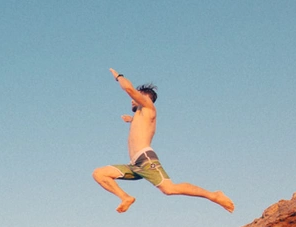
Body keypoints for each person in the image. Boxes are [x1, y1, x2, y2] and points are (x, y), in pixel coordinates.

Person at [92, 69, 234, 213]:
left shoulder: (148, 106)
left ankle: (214, 195)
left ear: (144, 97)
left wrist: (118, 76)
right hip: (134, 165)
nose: (131, 99)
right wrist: (131, 120)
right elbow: (142, 127)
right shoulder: (141, 115)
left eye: (135, 97)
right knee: (99, 174)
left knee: (169, 188)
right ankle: (125, 197)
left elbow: (128, 88)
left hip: (145, 159)